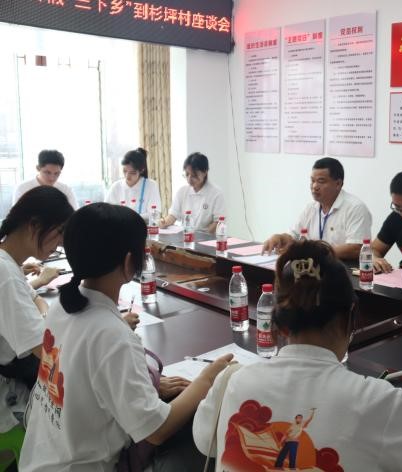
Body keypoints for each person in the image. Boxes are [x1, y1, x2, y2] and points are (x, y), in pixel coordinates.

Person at [193, 240, 402, 471]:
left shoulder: (233, 381)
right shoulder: (378, 402)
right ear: (351, 317)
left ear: (279, 324)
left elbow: (205, 442)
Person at [20, 203, 232, 471]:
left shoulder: (62, 306)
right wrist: (208, 380)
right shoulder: (112, 336)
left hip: (39, 460)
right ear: (130, 262)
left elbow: (86, 364)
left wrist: (142, 382)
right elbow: (156, 430)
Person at [0, 186, 73, 438]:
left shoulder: (7, 262)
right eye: (59, 232)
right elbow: (46, 352)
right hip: (8, 394)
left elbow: (35, 298)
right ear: (34, 225)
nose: (61, 242)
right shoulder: (5, 273)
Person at [262, 157, 372, 260]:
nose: (314, 186)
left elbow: (356, 248)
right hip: (314, 267)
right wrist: (280, 238)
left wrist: (313, 252)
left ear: (338, 184)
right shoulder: (311, 207)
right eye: (312, 181)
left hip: (343, 268)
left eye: (321, 181)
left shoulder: (355, 208)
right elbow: (294, 237)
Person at [160, 152, 225, 234]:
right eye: (187, 174)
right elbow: (173, 215)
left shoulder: (216, 193)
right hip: (186, 235)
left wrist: (203, 236)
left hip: (207, 238)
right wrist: (164, 222)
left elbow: (218, 222)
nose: (189, 179)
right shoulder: (182, 191)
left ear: (205, 172)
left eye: (194, 175)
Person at [105, 147, 162, 220]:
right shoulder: (116, 186)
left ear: (142, 170)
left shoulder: (151, 185)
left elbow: (155, 214)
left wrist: (131, 218)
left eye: (132, 173)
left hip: (142, 226)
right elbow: (106, 212)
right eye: (124, 171)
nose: (127, 176)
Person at [13, 149, 78, 209]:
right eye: (47, 172)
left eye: (57, 173)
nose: (52, 178)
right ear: (38, 168)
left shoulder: (65, 190)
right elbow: (16, 216)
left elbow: (75, 215)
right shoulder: (23, 189)